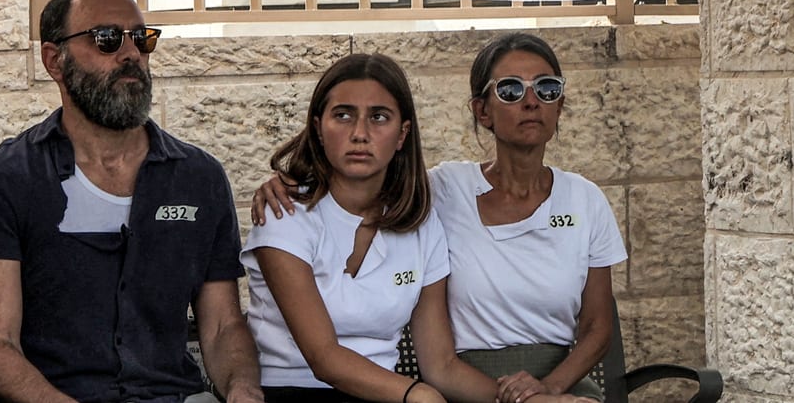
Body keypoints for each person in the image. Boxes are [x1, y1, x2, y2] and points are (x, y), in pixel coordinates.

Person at [0, 0, 261, 403]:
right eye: (106, 39)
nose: (131, 53)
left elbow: (223, 326)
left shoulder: (198, 178)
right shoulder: (5, 180)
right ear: (54, 60)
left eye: (141, 39)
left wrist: (243, 389)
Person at [253, 35, 621, 403]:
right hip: (312, 389)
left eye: (546, 88)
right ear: (482, 110)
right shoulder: (442, 191)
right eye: (509, 90)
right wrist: (290, 182)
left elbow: (596, 326)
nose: (360, 134)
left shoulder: (420, 214)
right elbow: (326, 357)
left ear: (402, 135)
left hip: (430, 390)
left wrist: (544, 395)